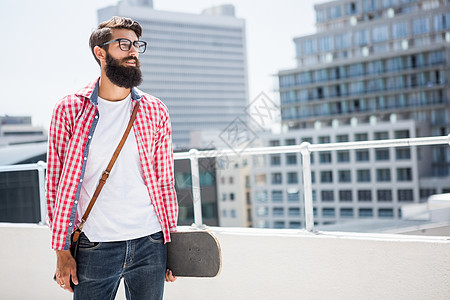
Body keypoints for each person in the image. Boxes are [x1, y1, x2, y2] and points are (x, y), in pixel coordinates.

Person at [46, 16, 178, 299]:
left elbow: (165, 181)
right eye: (123, 44)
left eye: (136, 45)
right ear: (100, 52)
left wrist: (171, 242)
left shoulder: (155, 110)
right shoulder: (70, 110)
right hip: (95, 245)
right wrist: (61, 250)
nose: (133, 51)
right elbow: (55, 185)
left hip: (150, 243)